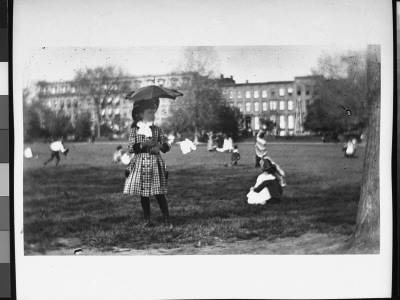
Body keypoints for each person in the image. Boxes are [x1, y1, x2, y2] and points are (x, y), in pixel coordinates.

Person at [123, 98, 172, 228]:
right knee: (144, 194)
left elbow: (167, 145)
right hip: (141, 164)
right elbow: (130, 148)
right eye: (150, 112)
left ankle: (167, 220)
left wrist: (160, 147)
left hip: (155, 164)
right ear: (140, 114)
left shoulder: (157, 130)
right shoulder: (135, 131)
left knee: (159, 192)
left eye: (154, 112)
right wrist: (144, 144)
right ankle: (147, 220)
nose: (153, 114)